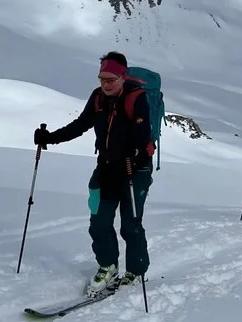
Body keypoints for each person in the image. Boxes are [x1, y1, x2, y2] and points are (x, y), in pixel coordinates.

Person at [34, 51, 155, 296]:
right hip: (107, 168)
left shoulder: (136, 98)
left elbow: (144, 136)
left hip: (134, 170)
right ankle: (108, 266)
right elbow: (81, 124)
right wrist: (50, 138)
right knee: (99, 221)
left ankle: (136, 270)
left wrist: (138, 156)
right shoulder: (98, 98)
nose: (106, 84)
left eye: (111, 79)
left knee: (131, 225)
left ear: (123, 76)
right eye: (102, 79)